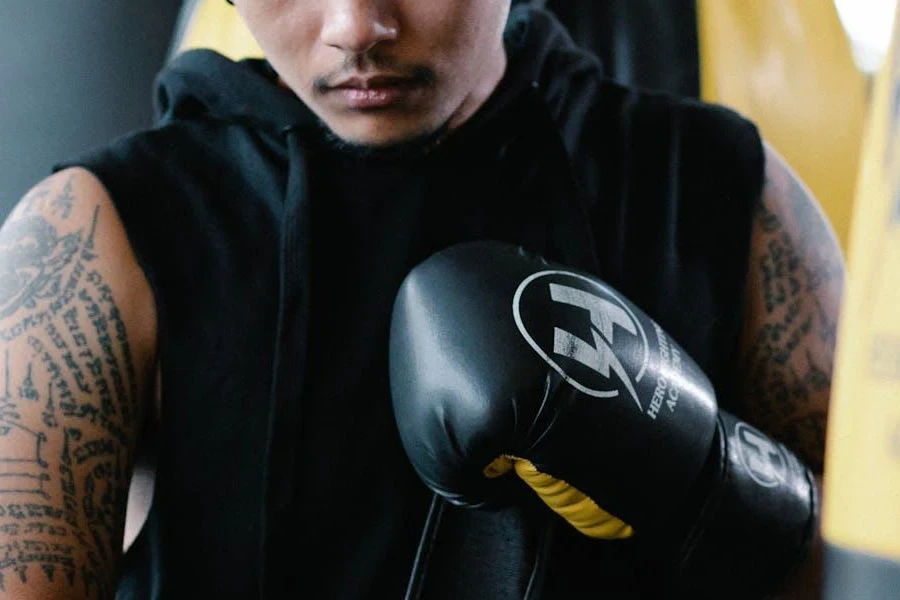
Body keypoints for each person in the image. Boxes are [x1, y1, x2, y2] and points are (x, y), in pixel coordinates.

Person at [0, 0, 842, 598]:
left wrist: (713, 485)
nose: (356, 27)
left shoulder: (721, 189)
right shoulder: (97, 236)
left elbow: (866, 569)